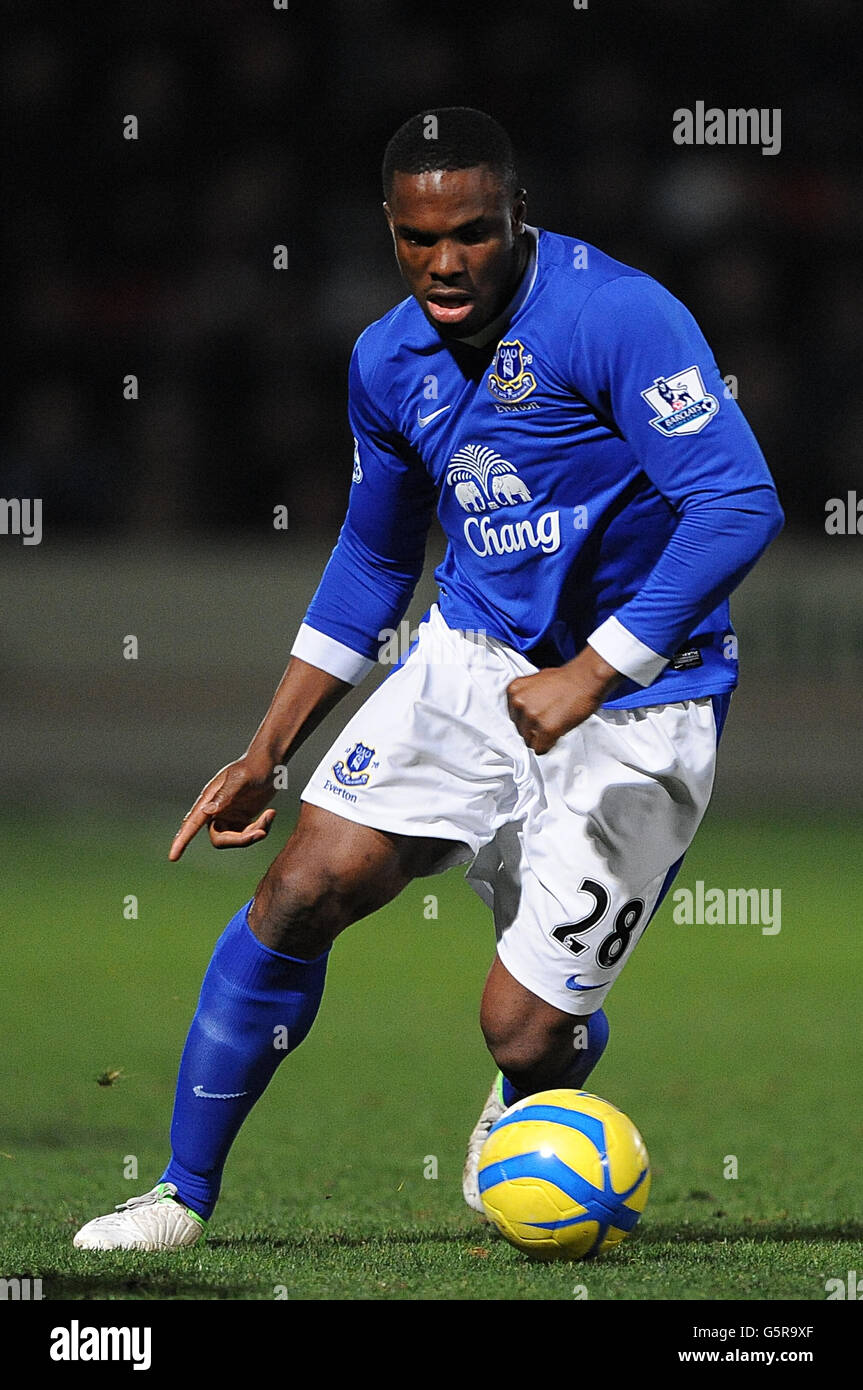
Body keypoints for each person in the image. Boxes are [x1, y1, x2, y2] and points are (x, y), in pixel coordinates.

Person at [74, 107, 783, 1251]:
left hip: (644, 702)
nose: (445, 263)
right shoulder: (383, 358)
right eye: (417, 239)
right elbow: (371, 557)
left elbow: (737, 501)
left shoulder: (617, 316)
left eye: (472, 233)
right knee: (302, 888)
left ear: (516, 217)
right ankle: (178, 1196)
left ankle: (525, 1091)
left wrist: (593, 672)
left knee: (521, 1033)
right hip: (468, 660)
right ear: (389, 232)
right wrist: (269, 750)